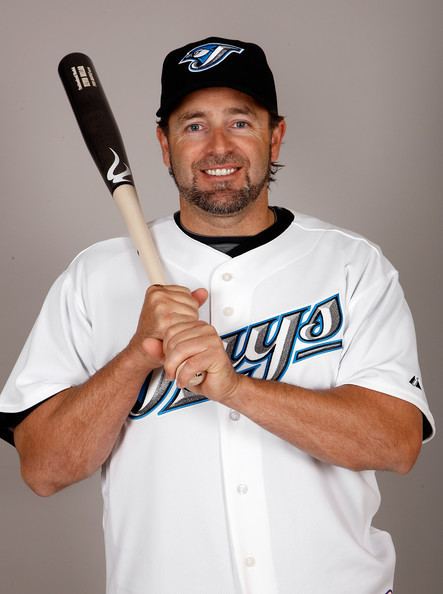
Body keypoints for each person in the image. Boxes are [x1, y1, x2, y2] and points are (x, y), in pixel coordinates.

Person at [0, 36, 435, 594]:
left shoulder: (353, 266)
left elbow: (395, 444)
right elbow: (43, 468)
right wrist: (138, 357)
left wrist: (234, 387)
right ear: (164, 144)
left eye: (240, 122)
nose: (219, 147)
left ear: (275, 135)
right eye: (194, 125)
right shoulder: (96, 277)